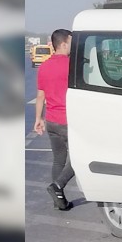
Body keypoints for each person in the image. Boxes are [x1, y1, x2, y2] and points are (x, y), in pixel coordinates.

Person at [34, 29, 75, 210]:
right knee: (78, 158)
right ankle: (57, 186)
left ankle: (58, 200)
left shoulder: (44, 66)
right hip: (68, 121)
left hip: (51, 120)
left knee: (59, 160)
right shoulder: (72, 65)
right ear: (64, 43)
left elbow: (40, 96)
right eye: (71, 42)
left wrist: (38, 119)